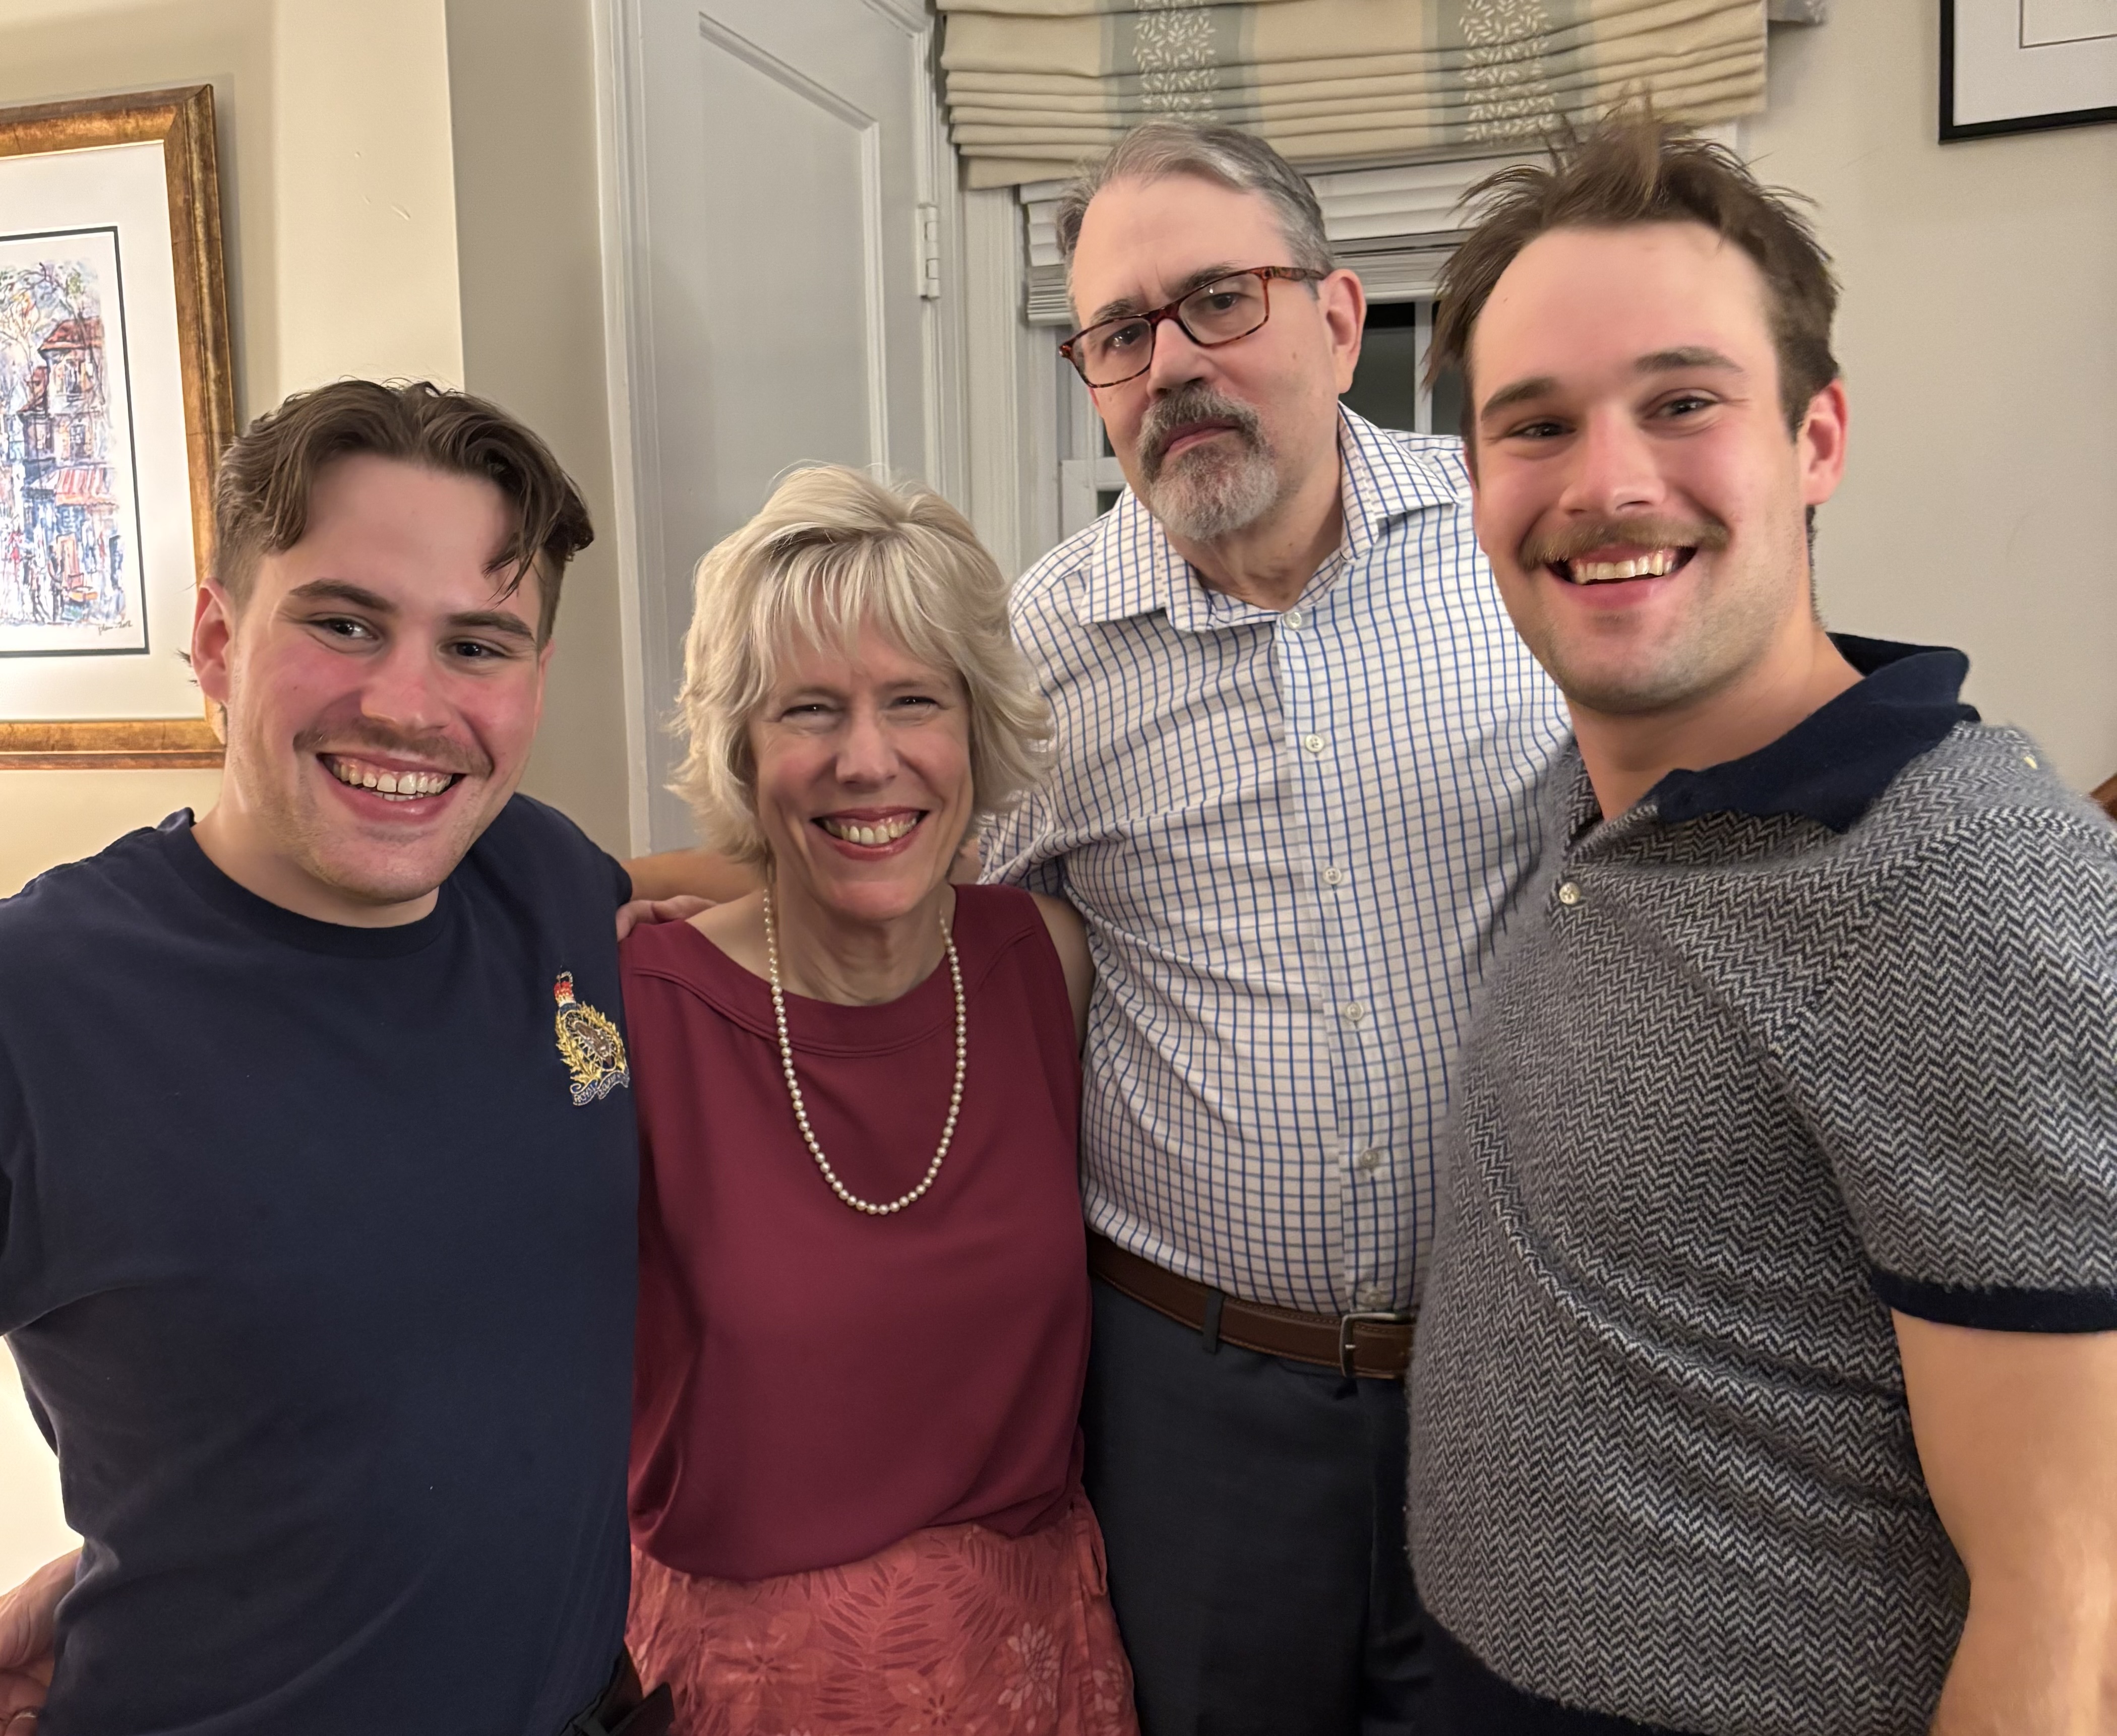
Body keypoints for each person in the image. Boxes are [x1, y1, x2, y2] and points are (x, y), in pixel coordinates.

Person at [1407, 117, 2117, 1734]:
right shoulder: (1576, 802)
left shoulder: (1972, 895)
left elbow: (2074, 1611)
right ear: (1474, 487)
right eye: (1537, 423)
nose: (1605, 483)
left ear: (1817, 438)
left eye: (1682, 402)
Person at [983, 120, 1570, 1733]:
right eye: (1120, 332)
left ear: (1333, 314)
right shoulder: (1043, 643)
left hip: (1516, 1369)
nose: (1171, 362)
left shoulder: (1513, 540)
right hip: (1195, 1402)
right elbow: (879, 904)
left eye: (1218, 301)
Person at [0, 380, 681, 1735]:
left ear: (537, 677)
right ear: (215, 639)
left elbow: (737, 907)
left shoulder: (540, 877)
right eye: (344, 622)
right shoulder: (41, 996)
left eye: (478, 645)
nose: (408, 705)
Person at [618, 465, 1136, 1733]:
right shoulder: (638, 1009)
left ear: (977, 728)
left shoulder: (1047, 964)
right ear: (744, 747)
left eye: (914, 700)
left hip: (1037, 1664)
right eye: (808, 710)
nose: (867, 760)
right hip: (745, 1688)